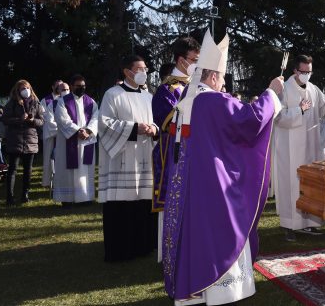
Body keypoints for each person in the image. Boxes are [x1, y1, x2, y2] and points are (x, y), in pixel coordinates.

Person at [162, 29, 283, 305]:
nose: (222, 82)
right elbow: (249, 121)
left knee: (195, 234)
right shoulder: (213, 101)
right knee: (219, 233)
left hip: (191, 182)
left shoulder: (187, 102)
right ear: (214, 76)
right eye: (222, 77)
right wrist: (272, 93)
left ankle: (193, 288)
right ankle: (221, 289)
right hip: (215, 184)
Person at [98, 54, 159, 262]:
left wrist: (154, 128)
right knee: (123, 204)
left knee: (143, 202)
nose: (144, 72)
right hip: (123, 158)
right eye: (140, 69)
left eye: (145, 69)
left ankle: (144, 245)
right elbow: (104, 124)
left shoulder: (148, 96)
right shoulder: (112, 94)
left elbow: (159, 121)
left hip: (145, 154)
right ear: (127, 72)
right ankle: (121, 249)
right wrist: (134, 128)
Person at [152, 36, 200, 262]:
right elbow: (165, 122)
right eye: (194, 59)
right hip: (174, 154)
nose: (197, 63)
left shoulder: (197, 85)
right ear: (182, 60)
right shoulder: (166, 89)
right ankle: (170, 252)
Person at [273, 54, 325, 242]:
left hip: (310, 145)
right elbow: (278, 116)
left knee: (309, 184)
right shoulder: (284, 88)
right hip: (290, 147)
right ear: (295, 70)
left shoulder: (314, 89)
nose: (306, 75)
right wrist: (300, 110)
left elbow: (323, 111)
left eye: (309, 71)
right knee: (291, 184)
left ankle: (310, 223)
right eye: (303, 71)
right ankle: (289, 225)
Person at [53, 75, 98, 205]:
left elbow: (96, 117)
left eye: (83, 86)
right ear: (72, 86)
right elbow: (62, 119)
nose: (81, 88)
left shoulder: (91, 102)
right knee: (68, 171)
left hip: (86, 141)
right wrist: (78, 131)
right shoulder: (63, 101)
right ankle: (67, 199)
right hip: (69, 142)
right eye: (78, 86)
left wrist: (88, 131)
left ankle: (85, 197)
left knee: (85, 169)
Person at [1, 80, 44, 205]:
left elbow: (41, 121)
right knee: (12, 169)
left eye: (27, 88)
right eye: (22, 88)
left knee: (28, 170)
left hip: (31, 140)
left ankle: (25, 194)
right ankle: (10, 196)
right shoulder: (12, 103)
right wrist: (19, 119)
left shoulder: (36, 103)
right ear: (17, 91)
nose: (25, 90)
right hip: (15, 140)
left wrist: (32, 120)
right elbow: (5, 119)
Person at [40, 80, 65, 188]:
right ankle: (47, 181)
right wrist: (58, 128)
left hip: (63, 133)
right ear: (53, 87)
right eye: (58, 85)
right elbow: (44, 116)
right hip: (50, 133)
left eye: (62, 86)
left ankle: (60, 180)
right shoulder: (45, 100)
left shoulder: (65, 100)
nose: (60, 87)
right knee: (48, 158)